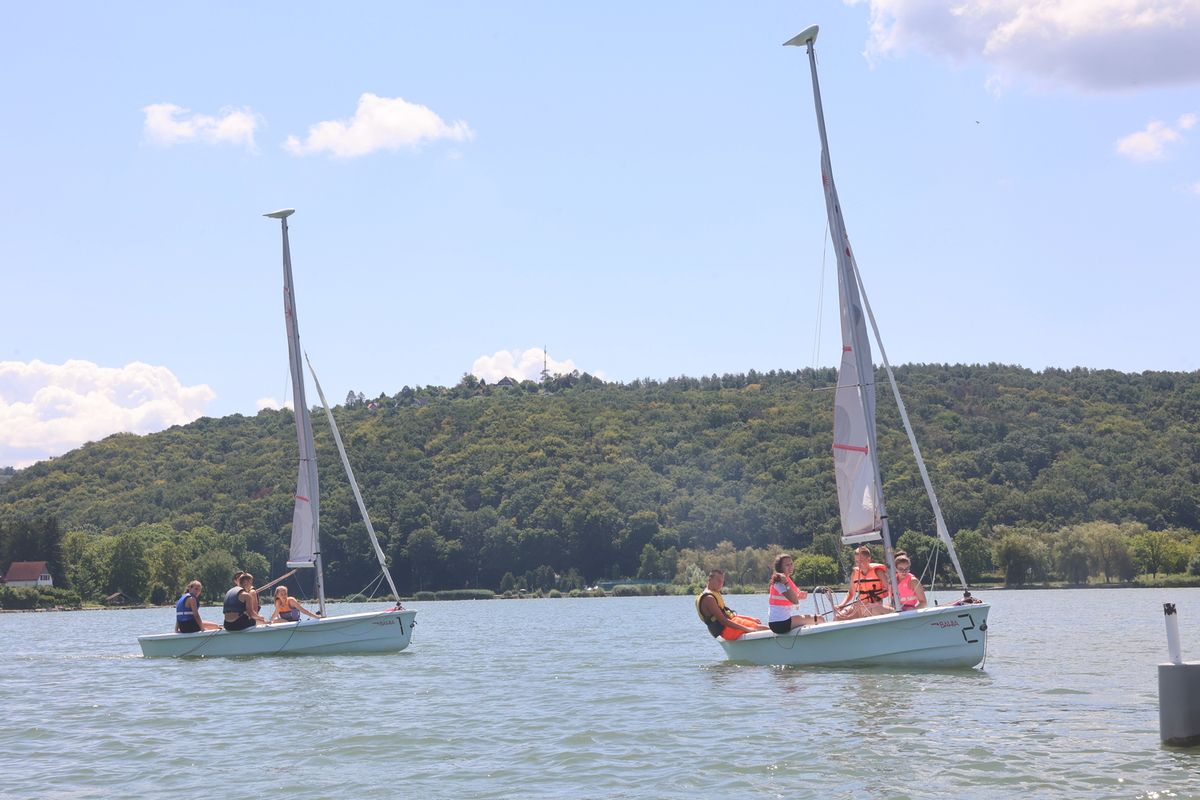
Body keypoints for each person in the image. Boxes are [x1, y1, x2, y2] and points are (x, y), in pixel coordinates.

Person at [696, 569, 769, 640]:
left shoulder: (713, 593)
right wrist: (748, 629)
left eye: (722, 581)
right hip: (726, 630)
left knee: (756, 622)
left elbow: (727, 613)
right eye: (718, 580)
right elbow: (724, 621)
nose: (721, 584)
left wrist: (749, 618)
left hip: (729, 625)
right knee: (759, 628)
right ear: (710, 579)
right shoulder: (709, 598)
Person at [835, 545, 894, 620]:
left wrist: (878, 604)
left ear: (868, 559)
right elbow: (851, 592)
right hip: (860, 606)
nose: (859, 564)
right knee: (838, 617)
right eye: (857, 561)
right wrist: (842, 604)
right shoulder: (855, 573)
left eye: (861, 560)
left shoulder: (878, 572)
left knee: (873, 610)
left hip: (875, 606)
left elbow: (890, 590)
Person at [767, 554, 822, 633]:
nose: (790, 567)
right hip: (780, 623)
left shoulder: (786, 579)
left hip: (780, 622)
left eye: (791, 564)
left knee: (815, 619)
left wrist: (799, 596)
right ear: (780, 567)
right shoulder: (780, 582)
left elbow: (791, 597)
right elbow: (795, 601)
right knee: (820, 619)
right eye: (787, 565)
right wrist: (786, 583)